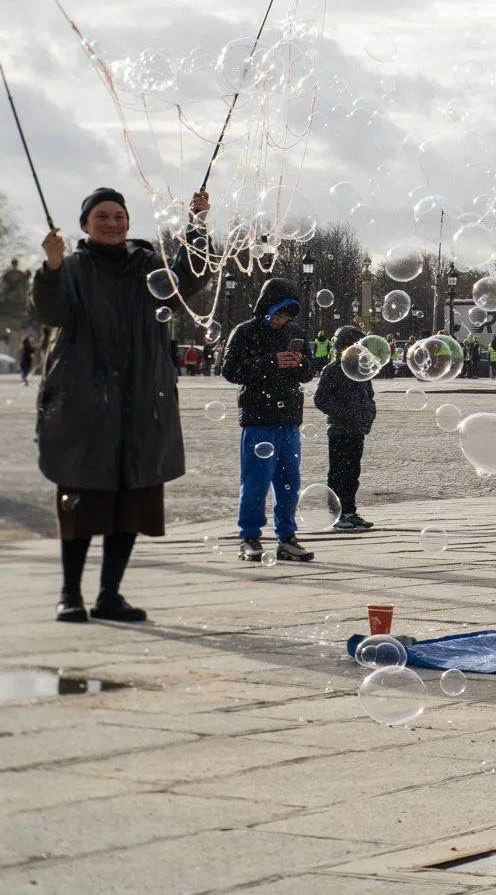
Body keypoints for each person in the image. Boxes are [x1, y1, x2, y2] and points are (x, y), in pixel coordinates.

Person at [34, 188, 206, 620]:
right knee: (80, 499)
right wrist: (52, 265)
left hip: (142, 399)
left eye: (119, 216)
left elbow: (193, 278)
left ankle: (109, 594)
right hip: (84, 404)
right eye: (101, 216)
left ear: (128, 222)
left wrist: (198, 226)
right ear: (84, 224)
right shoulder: (70, 268)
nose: (112, 223)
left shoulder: (150, 266)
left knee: (133, 498)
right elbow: (48, 312)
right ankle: (69, 594)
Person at [222, 276, 318, 563]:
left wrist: (300, 363)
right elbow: (229, 370)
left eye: (288, 314)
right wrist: (271, 362)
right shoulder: (244, 332)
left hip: (288, 417)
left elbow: (308, 372)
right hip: (258, 417)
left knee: (289, 482)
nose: (283, 319)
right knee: (255, 481)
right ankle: (249, 537)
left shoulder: (295, 332)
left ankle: (286, 537)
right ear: (267, 306)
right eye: (279, 312)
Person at [312, 323, 375, 531]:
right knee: (338, 473)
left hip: (357, 429)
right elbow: (321, 399)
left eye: (360, 345)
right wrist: (345, 413)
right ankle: (337, 514)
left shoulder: (362, 370)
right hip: (339, 429)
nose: (359, 349)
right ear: (342, 347)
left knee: (353, 472)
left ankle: (349, 511)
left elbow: (369, 397)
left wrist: (369, 414)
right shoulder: (332, 370)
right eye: (354, 345)